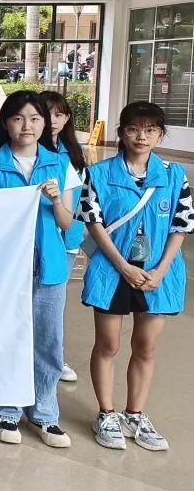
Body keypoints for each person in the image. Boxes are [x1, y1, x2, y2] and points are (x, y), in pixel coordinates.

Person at [78, 102, 192, 453]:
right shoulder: (98, 173)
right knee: (108, 345)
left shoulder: (174, 175)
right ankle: (106, 413)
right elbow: (93, 222)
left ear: (160, 134)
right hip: (112, 271)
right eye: (132, 129)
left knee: (146, 347)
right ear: (121, 132)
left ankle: (136, 415)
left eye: (150, 130)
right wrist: (123, 266)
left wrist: (161, 270)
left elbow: (182, 225)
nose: (141, 136)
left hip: (158, 274)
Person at [0, 90, 81, 449]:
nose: (27, 126)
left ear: (45, 123)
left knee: (48, 340)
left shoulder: (60, 165)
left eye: (35, 118)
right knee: (7, 336)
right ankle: (6, 409)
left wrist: (55, 200)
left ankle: (44, 412)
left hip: (49, 267)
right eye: (18, 118)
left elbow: (68, 223)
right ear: (5, 123)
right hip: (6, 269)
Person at [42, 90, 88, 384]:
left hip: (68, 238)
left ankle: (55, 358)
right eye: (47, 114)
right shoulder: (32, 150)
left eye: (59, 114)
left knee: (54, 305)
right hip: (38, 238)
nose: (53, 120)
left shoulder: (73, 153)